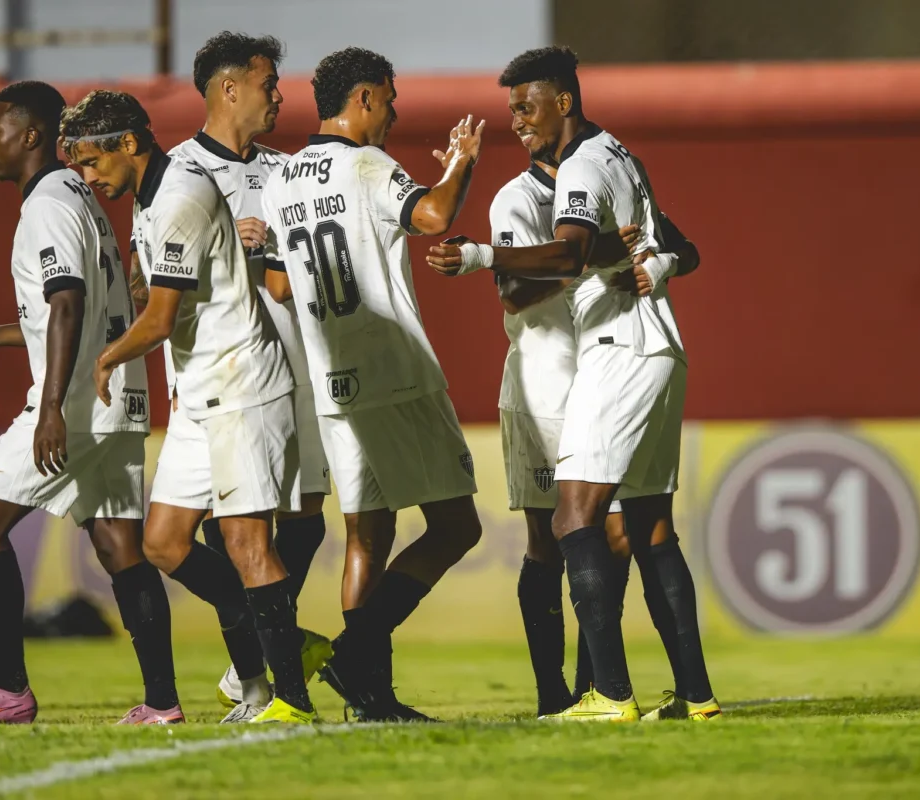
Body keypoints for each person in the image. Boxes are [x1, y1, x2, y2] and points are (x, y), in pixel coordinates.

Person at [428, 46, 720, 722]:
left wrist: (478, 255)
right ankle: (694, 696)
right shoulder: (616, 155)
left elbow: (568, 252)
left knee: (572, 520)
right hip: (641, 348)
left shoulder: (584, 167)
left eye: (527, 107)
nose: (518, 121)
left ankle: (609, 695)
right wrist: (650, 259)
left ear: (564, 100)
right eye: (512, 112)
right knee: (647, 528)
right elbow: (666, 245)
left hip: (614, 349)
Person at [61, 89, 316, 724]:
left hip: (243, 385)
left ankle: (290, 699)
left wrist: (106, 357)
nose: (88, 178)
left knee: (246, 542)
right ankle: (269, 663)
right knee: (165, 542)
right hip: (201, 391)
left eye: (92, 163)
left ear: (128, 144)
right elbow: (160, 289)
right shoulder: (151, 193)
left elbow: (160, 316)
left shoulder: (177, 195)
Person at [0, 81, 177, 724]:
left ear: (33, 134)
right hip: (117, 394)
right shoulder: (82, 196)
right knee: (117, 543)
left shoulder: (46, 201)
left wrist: (49, 410)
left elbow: (68, 300)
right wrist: (0, 333)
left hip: (70, 401)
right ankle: (162, 702)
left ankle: (8, 690)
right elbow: (79, 307)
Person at [260, 47, 483, 721]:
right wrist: (462, 161)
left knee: (367, 535)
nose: (393, 112)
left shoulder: (280, 180)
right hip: (393, 371)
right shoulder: (367, 165)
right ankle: (357, 657)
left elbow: (276, 284)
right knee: (456, 526)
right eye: (388, 99)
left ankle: (371, 700)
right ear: (361, 99)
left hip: (333, 382)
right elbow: (434, 218)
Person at [135, 31, 331, 721]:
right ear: (228, 89)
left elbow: (306, 276)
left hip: (289, 369)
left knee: (303, 522)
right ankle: (261, 676)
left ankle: (267, 676)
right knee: (228, 534)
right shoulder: (175, 174)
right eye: (268, 82)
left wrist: (274, 245)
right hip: (215, 379)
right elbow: (146, 284)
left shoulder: (287, 173)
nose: (280, 93)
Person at [490, 146, 701, 715]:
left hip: (605, 375)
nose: (524, 126)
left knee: (617, 536)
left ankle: (596, 686)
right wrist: (584, 258)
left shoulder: (603, 182)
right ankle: (551, 694)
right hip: (544, 388)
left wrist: (657, 263)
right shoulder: (519, 198)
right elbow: (511, 291)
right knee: (548, 543)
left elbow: (684, 246)